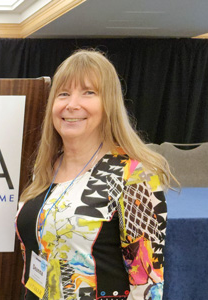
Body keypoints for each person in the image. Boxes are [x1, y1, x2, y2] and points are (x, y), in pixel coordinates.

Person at [16, 49, 172, 300]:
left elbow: (147, 284)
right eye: (63, 94)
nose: (72, 104)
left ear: (108, 103)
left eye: (88, 92)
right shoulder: (45, 167)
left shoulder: (134, 174)